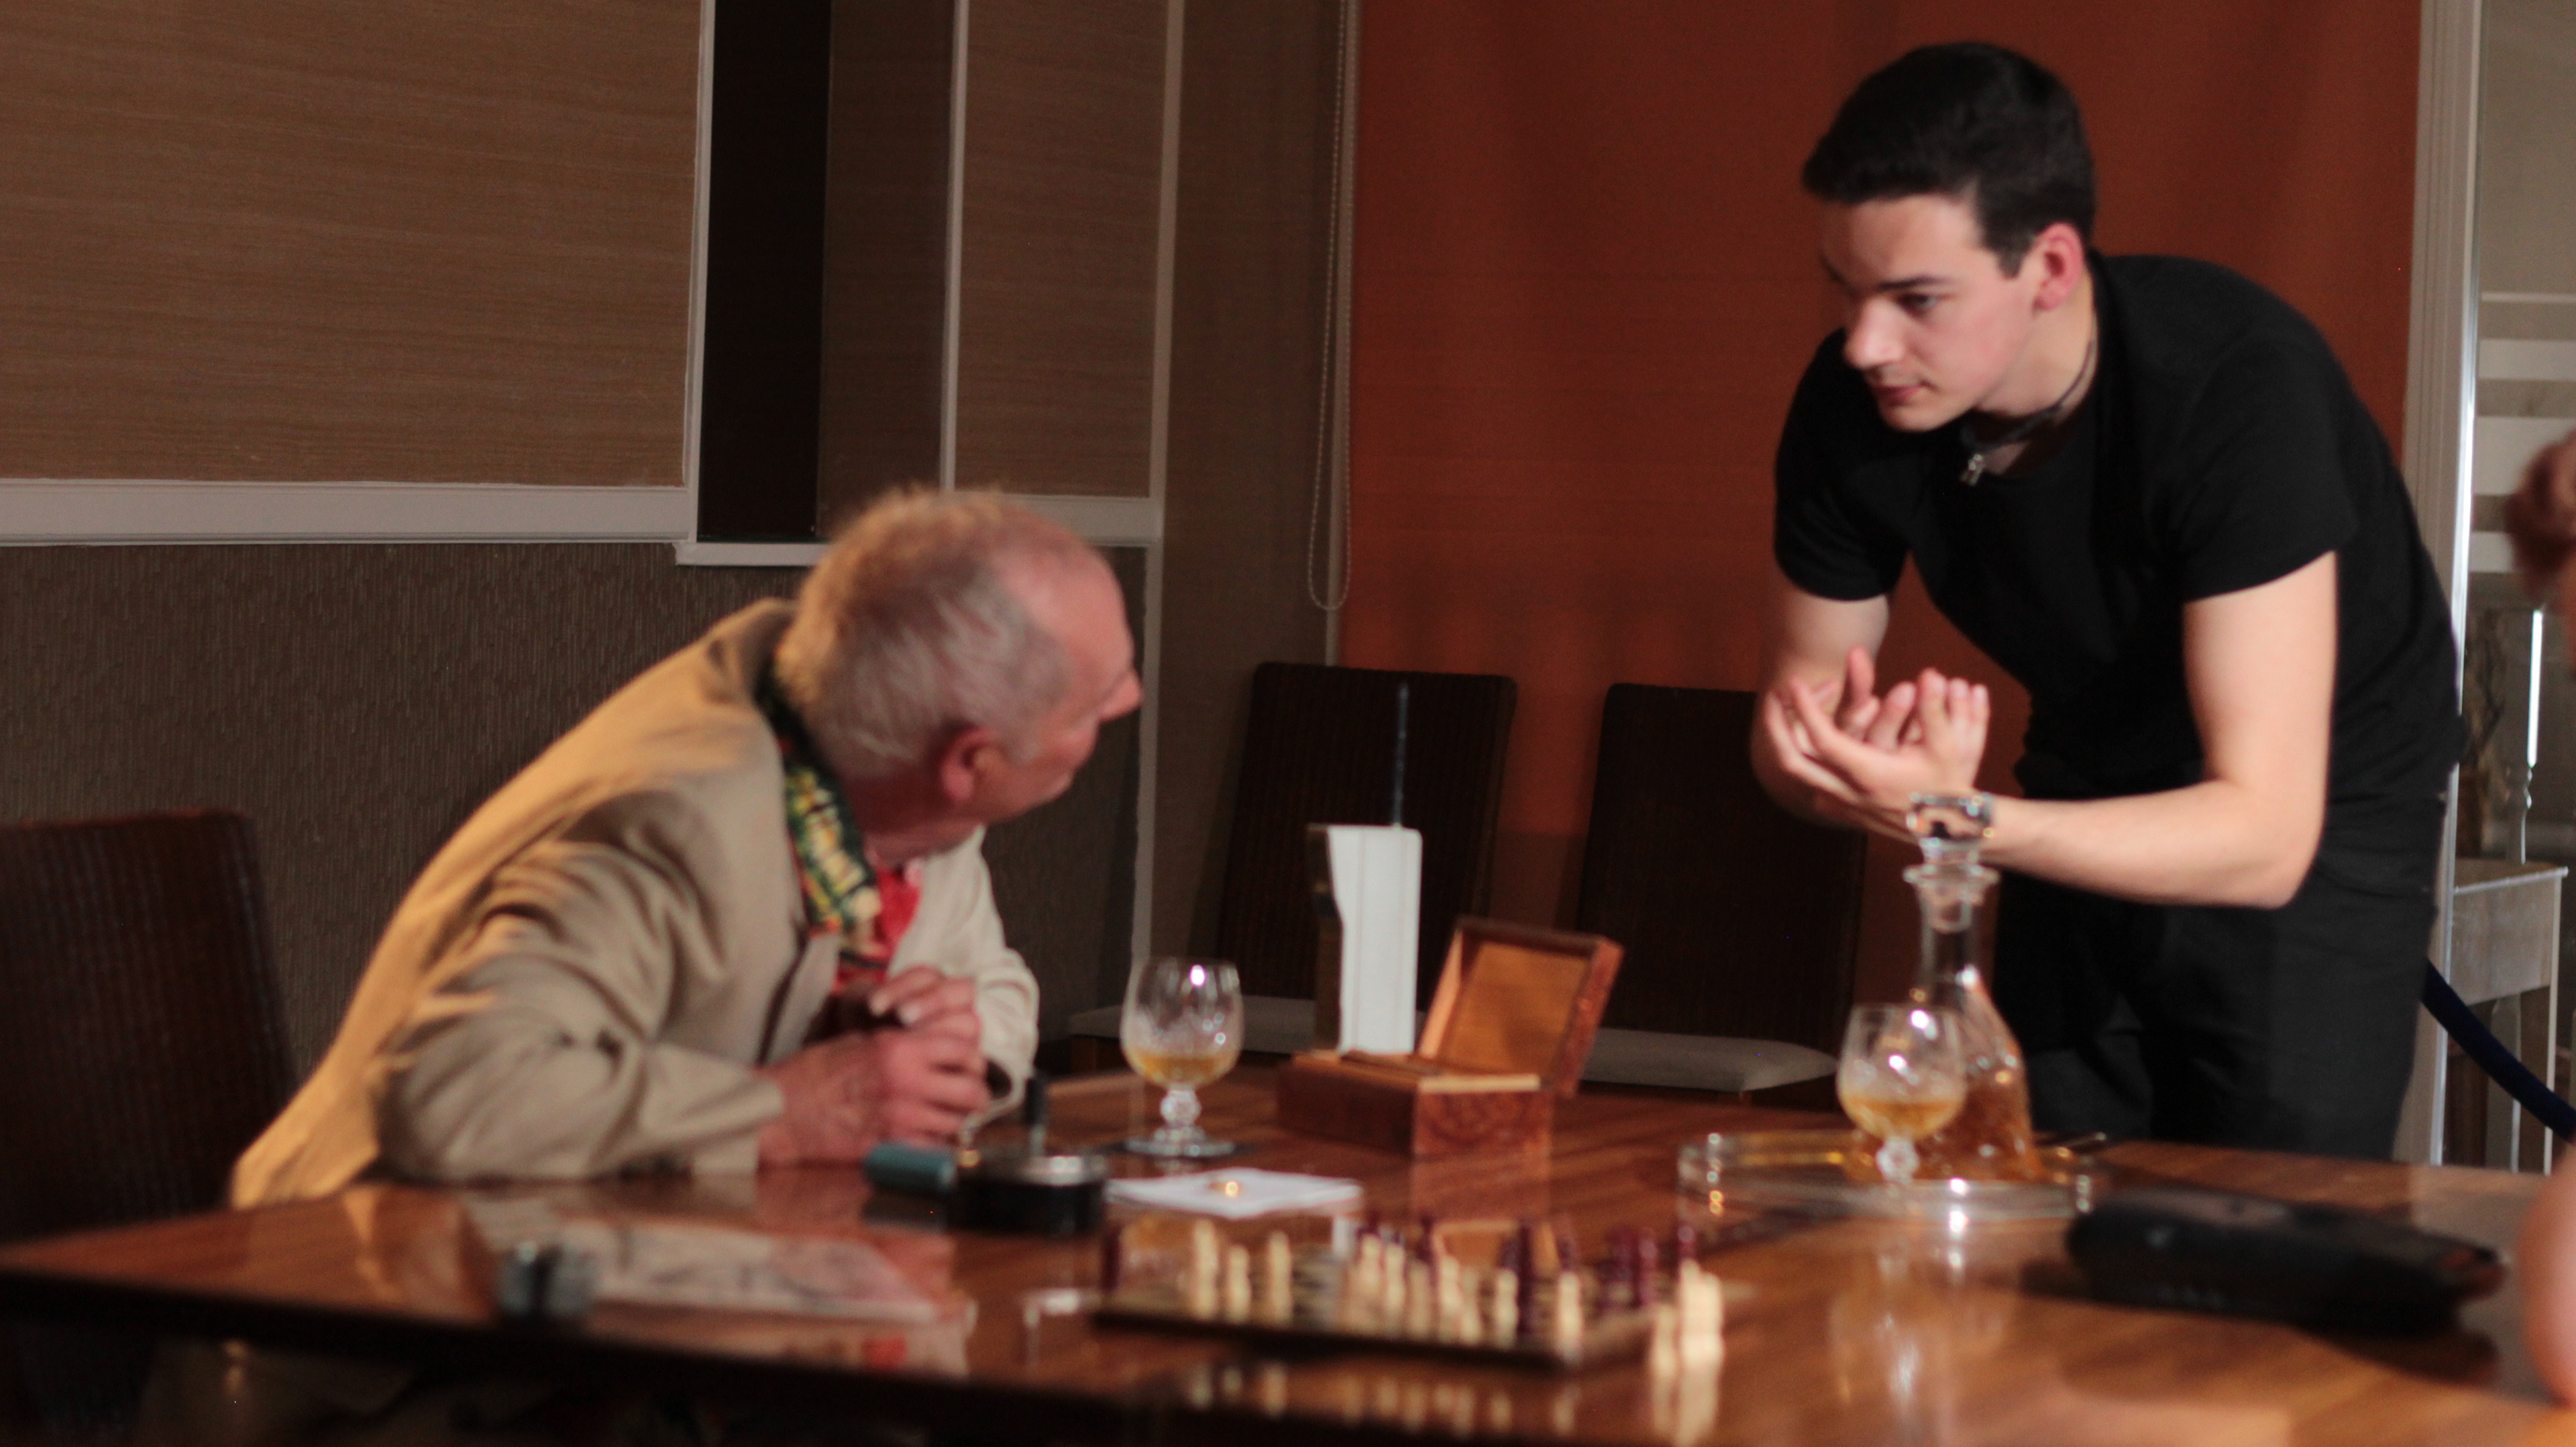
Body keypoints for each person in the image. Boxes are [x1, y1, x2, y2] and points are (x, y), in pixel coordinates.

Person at [1750, 43, 2462, 1158]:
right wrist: (1845, 767)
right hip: (2085, 769)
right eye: (1848, 288)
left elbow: (2264, 836)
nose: (1865, 344)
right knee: (2049, 1190)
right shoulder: (1852, 407)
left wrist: (1957, 819)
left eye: (1917, 299)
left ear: (2050, 265)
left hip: (2318, 807)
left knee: (2271, 1213)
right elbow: (1789, 730)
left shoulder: (2233, 387)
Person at [234, 488, 1141, 1205]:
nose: (1130, 699)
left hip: (675, 1264)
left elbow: (996, 987)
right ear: (970, 762)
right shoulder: (679, 824)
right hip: (383, 1308)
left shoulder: (882, 762)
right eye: (1098, 699)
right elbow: (450, 1092)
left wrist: (942, 1050)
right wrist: (784, 1112)